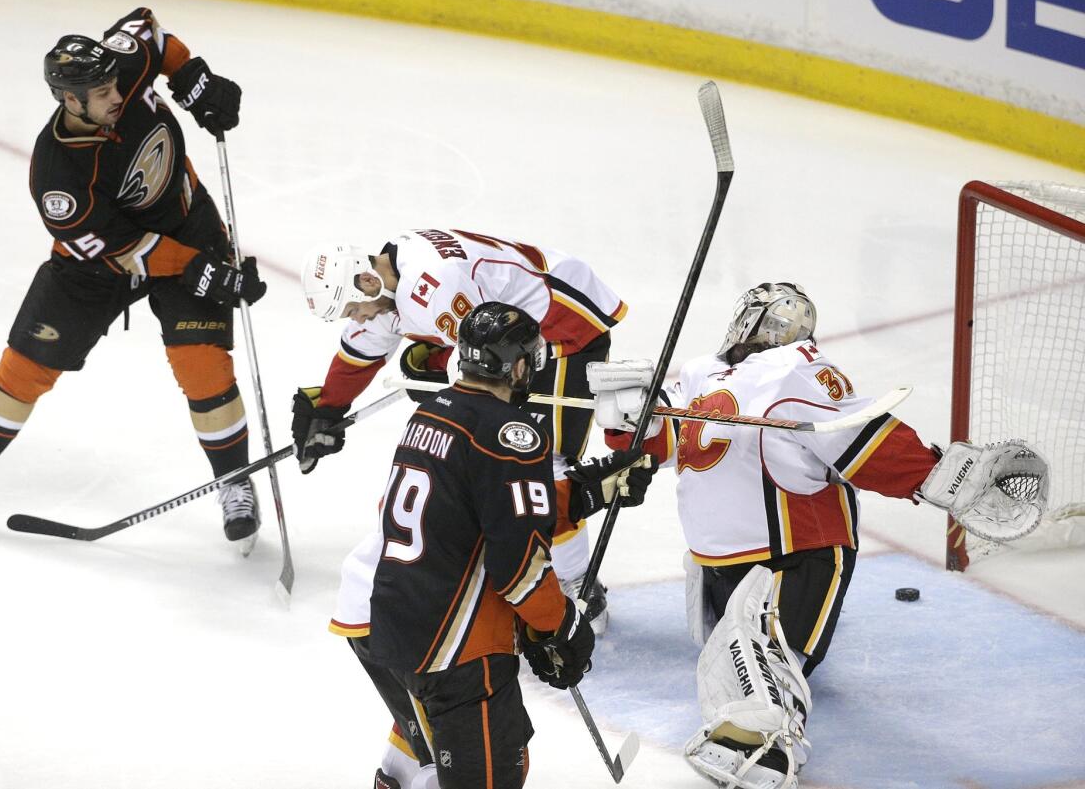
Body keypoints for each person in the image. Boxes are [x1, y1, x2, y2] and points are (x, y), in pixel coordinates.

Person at [589, 282, 1047, 789]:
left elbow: (858, 433)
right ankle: (756, 714)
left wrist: (937, 475)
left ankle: (770, 749)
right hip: (716, 559)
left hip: (794, 552)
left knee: (765, 657)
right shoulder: (703, 373)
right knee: (729, 659)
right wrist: (632, 413)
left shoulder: (796, 369)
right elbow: (666, 439)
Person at [0, 9, 268, 548]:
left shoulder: (122, 66)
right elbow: (128, 251)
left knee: (203, 367)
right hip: (98, 263)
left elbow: (156, 34)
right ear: (69, 100)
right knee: (25, 368)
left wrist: (193, 78)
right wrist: (204, 273)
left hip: (186, 222)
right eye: (101, 92)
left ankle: (234, 482)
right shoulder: (58, 177)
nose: (115, 95)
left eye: (114, 84)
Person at [336, 302, 655, 789]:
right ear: (520, 364)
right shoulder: (513, 433)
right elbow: (517, 569)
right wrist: (561, 626)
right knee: (493, 774)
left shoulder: (430, 413)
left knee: (426, 738)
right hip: (456, 649)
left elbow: (474, 511)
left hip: (393, 624)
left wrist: (589, 491)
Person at [294, 230, 628, 631]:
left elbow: (482, 373)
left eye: (353, 310)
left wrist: (438, 370)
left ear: (365, 282)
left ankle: (578, 583)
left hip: (562, 326)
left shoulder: (432, 284)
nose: (358, 318)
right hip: (512, 329)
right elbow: (362, 352)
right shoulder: (386, 283)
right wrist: (327, 409)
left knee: (542, 463)